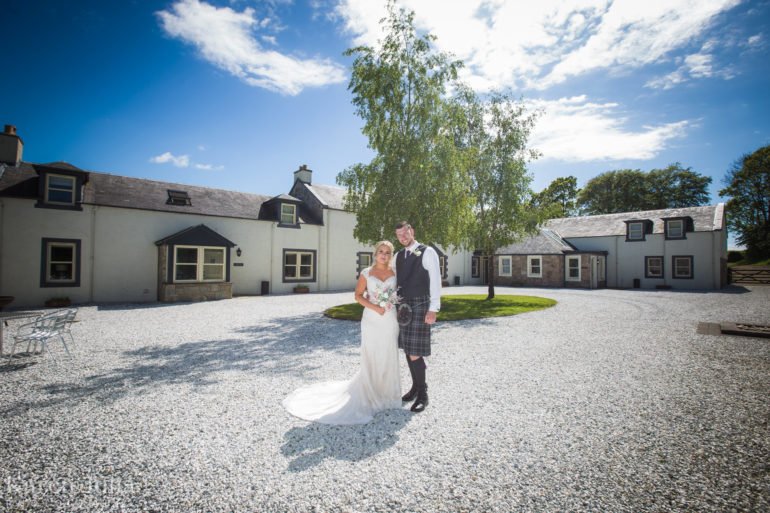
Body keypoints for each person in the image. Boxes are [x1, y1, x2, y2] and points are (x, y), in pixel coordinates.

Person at [282, 241, 401, 424]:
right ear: (375, 253)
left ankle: (388, 396)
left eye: (387, 252)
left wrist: (389, 304)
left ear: (390, 255)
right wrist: (376, 308)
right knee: (372, 353)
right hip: (372, 318)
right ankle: (370, 394)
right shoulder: (366, 273)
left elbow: (397, 292)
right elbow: (358, 296)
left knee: (388, 353)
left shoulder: (395, 273)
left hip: (390, 318)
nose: (383, 255)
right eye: (380, 251)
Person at [393, 221, 441, 413]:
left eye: (405, 233)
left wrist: (434, 308)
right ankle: (414, 388)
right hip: (403, 306)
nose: (402, 237)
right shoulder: (398, 255)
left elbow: (436, 281)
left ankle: (423, 394)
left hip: (421, 305)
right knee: (407, 348)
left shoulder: (427, 251)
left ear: (412, 231)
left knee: (415, 352)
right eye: (399, 235)